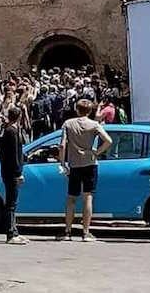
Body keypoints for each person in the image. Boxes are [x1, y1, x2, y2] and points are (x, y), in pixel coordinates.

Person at [58, 99, 112, 242]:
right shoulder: (94, 124)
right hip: (90, 163)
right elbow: (108, 141)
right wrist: (97, 152)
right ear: (89, 111)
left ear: (77, 109)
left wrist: (63, 163)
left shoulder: (68, 124)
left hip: (74, 164)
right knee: (88, 197)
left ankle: (67, 231)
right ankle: (86, 232)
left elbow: (62, 145)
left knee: (71, 198)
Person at [0, 106, 28, 245]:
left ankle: (14, 231)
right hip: (11, 172)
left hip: (8, 170)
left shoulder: (9, 130)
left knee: (12, 203)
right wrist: (18, 172)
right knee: (11, 203)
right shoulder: (11, 131)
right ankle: (10, 233)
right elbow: (14, 154)